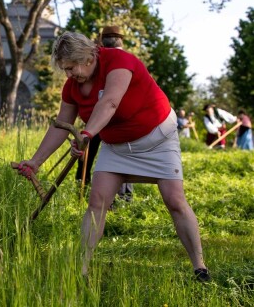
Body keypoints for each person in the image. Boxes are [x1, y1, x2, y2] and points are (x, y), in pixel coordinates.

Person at [15, 31, 210, 282]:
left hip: (158, 138)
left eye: (71, 67)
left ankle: (200, 267)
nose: (69, 74)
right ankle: (81, 269)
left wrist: (86, 134)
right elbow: (61, 124)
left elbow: (109, 103)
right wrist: (36, 161)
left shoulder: (119, 62)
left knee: (174, 200)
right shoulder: (72, 86)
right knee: (97, 200)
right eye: (65, 69)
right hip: (116, 145)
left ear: (87, 57)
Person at [76, 25, 133, 205]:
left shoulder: (96, 61)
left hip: (98, 117)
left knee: (88, 153)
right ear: (121, 40)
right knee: (123, 157)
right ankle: (123, 198)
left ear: (102, 40)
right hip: (116, 119)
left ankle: (81, 187)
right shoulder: (128, 59)